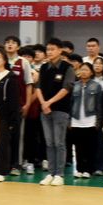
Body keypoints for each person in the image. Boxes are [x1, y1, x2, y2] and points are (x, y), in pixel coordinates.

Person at [35, 40, 75, 185]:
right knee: (49, 143)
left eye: (52, 49)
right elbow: (38, 87)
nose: (49, 52)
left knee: (59, 142)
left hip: (60, 110)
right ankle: (50, 173)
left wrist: (49, 102)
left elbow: (66, 88)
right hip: (45, 110)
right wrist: (43, 103)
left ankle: (59, 174)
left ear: (60, 50)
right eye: (48, 49)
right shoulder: (44, 67)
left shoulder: (67, 67)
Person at [0, 48, 24, 182]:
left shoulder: (10, 78)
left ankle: (2, 171)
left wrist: (13, 120)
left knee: (3, 144)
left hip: (4, 117)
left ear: (4, 60)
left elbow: (14, 101)